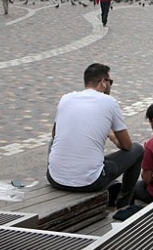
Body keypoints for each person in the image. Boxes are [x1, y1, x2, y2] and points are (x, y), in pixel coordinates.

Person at [46, 63, 144, 208]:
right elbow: (127, 145)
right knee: (138, 150)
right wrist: (111, 136)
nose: (111, 85)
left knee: (54, 142)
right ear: (102, 83)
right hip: (90, 182)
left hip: (55, 178)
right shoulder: (110, 102)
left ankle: (64, 168)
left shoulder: (65, 98)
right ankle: (123, 202)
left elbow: (55, 135)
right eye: (110, 82)